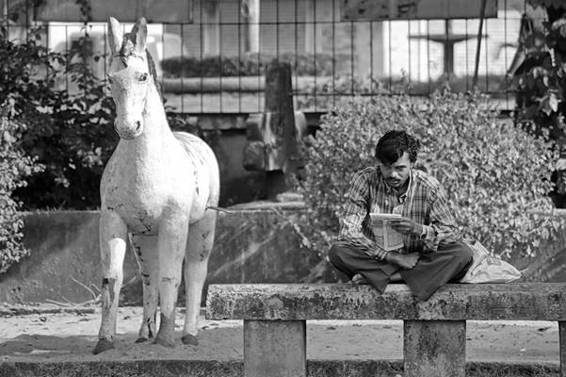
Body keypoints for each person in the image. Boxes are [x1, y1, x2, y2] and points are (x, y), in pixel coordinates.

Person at [328, 130, 473, 301]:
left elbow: (451, 233)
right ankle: (405, 275)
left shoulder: (429, 186)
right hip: (379, 258)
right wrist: (393, 258)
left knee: (462, 253)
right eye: (386, 167)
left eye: (400, 168)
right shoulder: (364, 180)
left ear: (412, 163)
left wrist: (420, 230)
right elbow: (348, 232)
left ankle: (393, 277)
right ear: (379, 163)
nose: (392, 174)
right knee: (338, 251)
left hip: (417, 259)